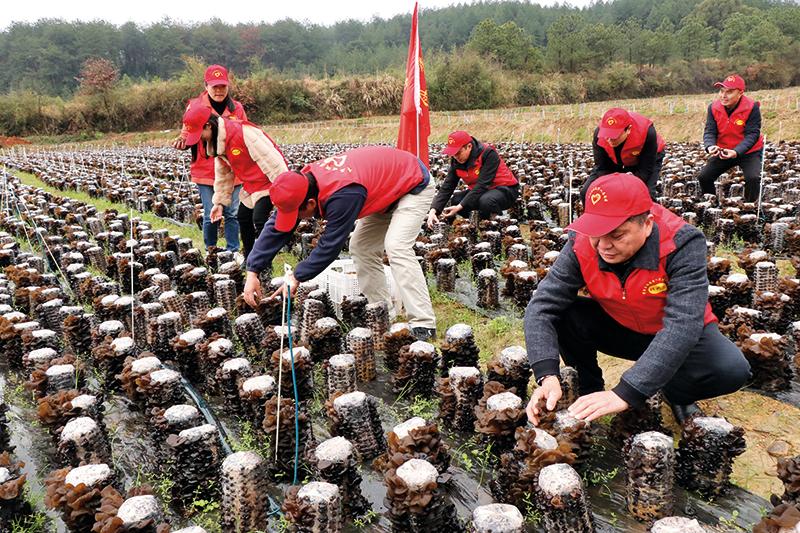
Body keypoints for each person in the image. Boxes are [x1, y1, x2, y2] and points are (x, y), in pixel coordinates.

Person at [523, 173, 751, 426]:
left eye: (617, 236)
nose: (603, 246)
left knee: (730, 369)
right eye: (596, 234)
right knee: (565, 314)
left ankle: (677, 393)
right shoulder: (581, 242)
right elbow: (542, 307)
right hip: (620, 323)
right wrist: (546, 374)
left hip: (671, 329)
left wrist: (628, 392)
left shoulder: (682, 243)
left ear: (648, 224)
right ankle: (589, 388)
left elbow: (683, 324)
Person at [242, 146, 438, 341]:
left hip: (412, 183)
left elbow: (330, 245)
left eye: (297, 215)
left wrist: (297, 276)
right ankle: (381, 312)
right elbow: (276, 228)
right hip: (383, 189)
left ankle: (423, 323)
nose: (295, 220)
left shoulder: (343, 194)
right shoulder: (298, 186)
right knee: (362, 248)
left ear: (310, 203)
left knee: (397, 246)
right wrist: (253, 271)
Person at [180, 103, 289, 261]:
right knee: (243, 217)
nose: (200, 139)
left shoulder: (243, 133)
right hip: (251, 185)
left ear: (208, 126)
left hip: (268, 183)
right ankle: (250, 258)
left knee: (259, 220)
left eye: (200, 133)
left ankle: (264, 263)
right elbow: (224, 173)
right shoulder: (218, 142)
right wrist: (219, 203)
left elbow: (272, 159)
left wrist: (284, 189)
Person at [172, 64, 247, 253]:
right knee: (209, 213)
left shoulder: (237, 108)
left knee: (232, 213)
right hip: (205, 169)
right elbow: (186, 134)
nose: (219, 90)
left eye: (223, 86)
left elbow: (246, 133)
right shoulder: (195, 107)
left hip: (233, 169)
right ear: (206, 86)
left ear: (228, 86)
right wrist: (182, 142)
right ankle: (211, 251)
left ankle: (233, 251)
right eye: (215, 87)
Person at [426, 130, 518, 229]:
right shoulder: (456, 160)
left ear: (469, 147)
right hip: (482, 191)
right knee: (457, 200)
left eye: (458, 153)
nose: (455, 157)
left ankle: (497, 221)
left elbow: (483, 184)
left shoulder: (488, 153)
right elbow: (448, 186)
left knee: (486, 201)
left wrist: (460, 206)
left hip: (505, 189)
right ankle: (476, 224)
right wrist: (434, 210)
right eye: (453, 154)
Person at [696, 74, 764, 202]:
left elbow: (752, 134)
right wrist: (710, 146)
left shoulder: (751, 107)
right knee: (704, 177)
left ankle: (750, 208)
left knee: (753, 178)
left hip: (749, 152)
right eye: (722, 91)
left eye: (729, 92)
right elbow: (710, 131)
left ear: (740, 93)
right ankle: (711, 204)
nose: (723, 95)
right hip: (724, 151)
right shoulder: (713, 107)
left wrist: (737, 152)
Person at [583, 107, 665, 202]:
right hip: (613, 160)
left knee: (646, 196)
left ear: (628, 129)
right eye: (607, 135)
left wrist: (628, 184)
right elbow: (602, 168)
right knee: (588, 192)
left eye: (614, 136)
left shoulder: (647, 132)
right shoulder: (599, 134)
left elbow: (645, 170)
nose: (609, 139)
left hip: (644, 159)